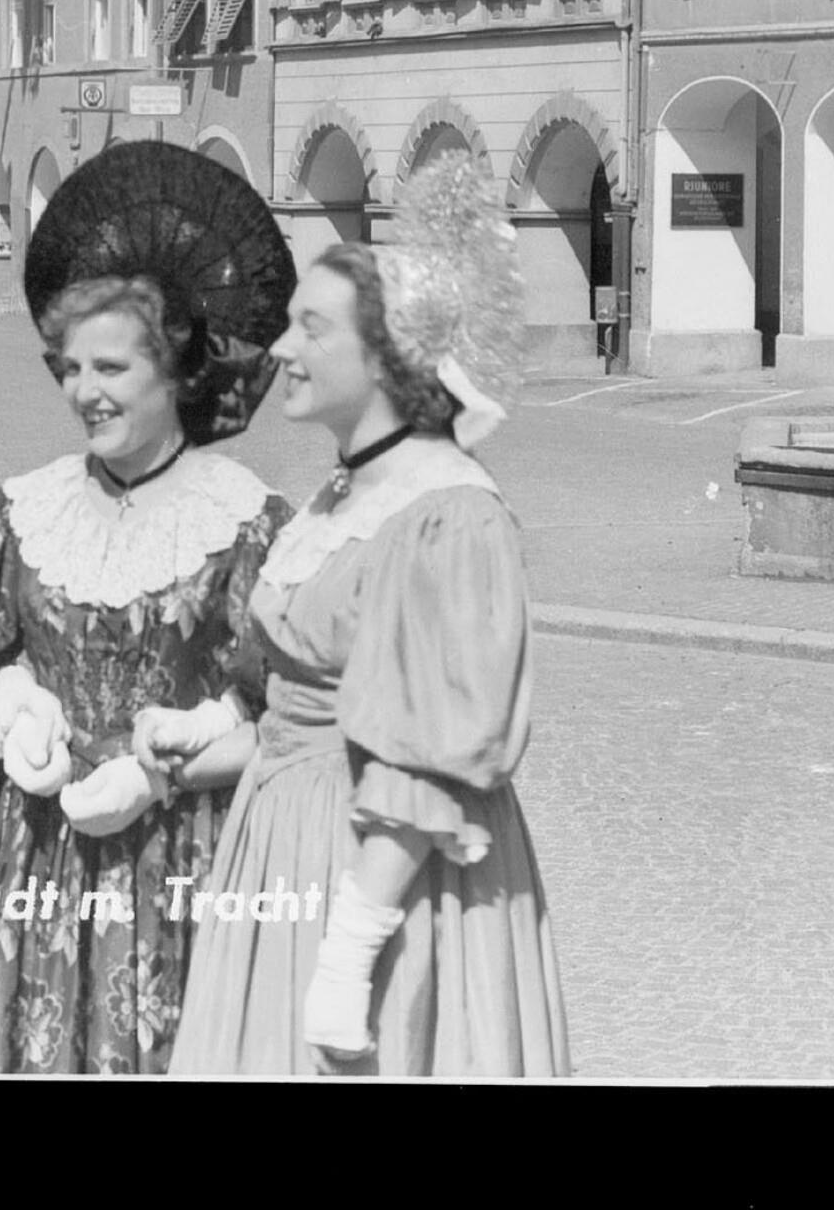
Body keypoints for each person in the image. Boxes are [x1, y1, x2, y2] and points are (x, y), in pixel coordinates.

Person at [0, 139, 297, 1073]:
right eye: (70, 368)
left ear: (178, 367)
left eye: (111, 367)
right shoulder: (27, 510)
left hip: (183, 866)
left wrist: (170, 771)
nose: (85, 391)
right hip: (37, 856)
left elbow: (294, 713)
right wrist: (11, 714)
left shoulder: (245, 522)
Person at [167, 154, 568, 1077]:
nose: (281, 349)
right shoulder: (348, 490)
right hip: (287, 841)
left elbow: (432, 748)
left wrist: (349, 951)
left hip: (387, 878)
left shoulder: (449, 512)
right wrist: (213, 724)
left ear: (389, 354)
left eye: (312, 327)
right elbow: (303, 677)